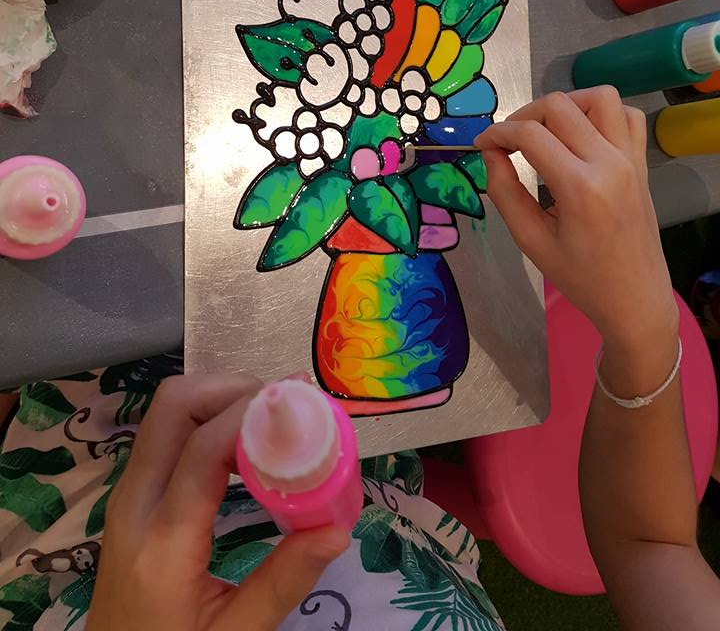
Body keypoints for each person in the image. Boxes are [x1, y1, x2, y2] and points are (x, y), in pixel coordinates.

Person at [1, 87, 718, 630]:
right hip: (376, 495)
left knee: (50, 343)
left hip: (89, 535)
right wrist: (643, 327)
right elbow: (654, 546)